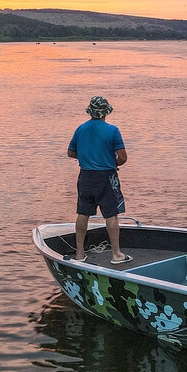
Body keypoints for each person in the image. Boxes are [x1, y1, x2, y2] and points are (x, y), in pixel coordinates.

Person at [67, 95, 130, 263]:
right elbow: (123, 157)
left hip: (85, 176)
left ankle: (79, 254)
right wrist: (111, 162)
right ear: (105, 112)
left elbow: (71, 152)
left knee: (82, 213)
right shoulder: (112, 130)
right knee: (111, 214)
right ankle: (116, 254)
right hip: (106, 177)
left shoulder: (80, 129)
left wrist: (86, 156)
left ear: (90, 112)